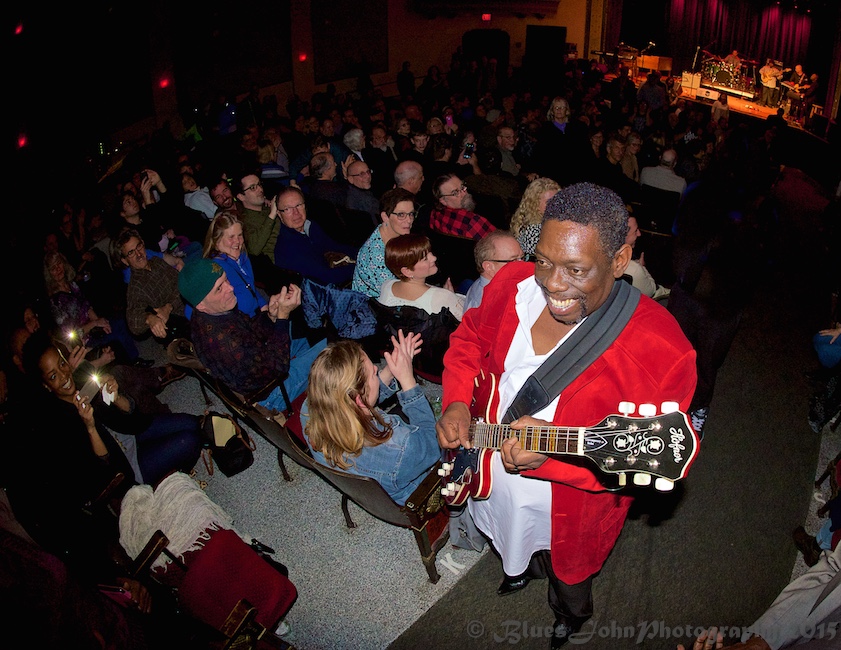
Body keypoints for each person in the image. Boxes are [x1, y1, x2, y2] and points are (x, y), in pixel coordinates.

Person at [435, 182, 697, 649]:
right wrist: (456, 398)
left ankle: (569, 615)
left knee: (569, 574)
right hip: (495, 472)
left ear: (620, 260)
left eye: (576, 269)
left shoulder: (663, 351)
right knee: (511, 535)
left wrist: (549, 459)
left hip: (572, 505)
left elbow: (642, 468)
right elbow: (470, 340)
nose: (553, 284)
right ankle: (520, 569)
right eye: (546, 261)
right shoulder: (513, 282)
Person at [300, 333, 440, 506]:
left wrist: (389, 371)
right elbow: (433, 442)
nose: (376, 368)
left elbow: (358, 401)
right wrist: (407, 381)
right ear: (359, 400)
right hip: (414, 492)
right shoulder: (400, 446)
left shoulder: (308, 410)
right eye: (374, 373)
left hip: (375, 487)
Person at [179, 257, 326, 408]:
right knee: (334, 346)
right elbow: (278, 368)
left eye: (226, 280)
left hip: (261, 360)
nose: (230, 288)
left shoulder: (210, 312)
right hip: (271, 391)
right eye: (219, 289)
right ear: (201, 305)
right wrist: (283, 317)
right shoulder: (226, 343)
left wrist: (271, 315)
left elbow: (249, 330)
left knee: (310, 331)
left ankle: (318, 367)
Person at [43, 250, 144, 366]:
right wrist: (95, 323)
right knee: (116, 333)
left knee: (119, 321)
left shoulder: (72, 285)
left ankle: (135, 359)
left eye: (58, 263)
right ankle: (132, 363)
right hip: (82, 342)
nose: (57, 269)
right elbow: (71, 334)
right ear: (49, 273)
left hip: (94, 329)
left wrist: (101, 323)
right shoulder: (56, 301)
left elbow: (87, 307)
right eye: (53, 268)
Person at [113, 229, 191, 346]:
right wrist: (149, 318)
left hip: (189, 299)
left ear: (143, 244)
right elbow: (133, 322)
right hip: (183, 318)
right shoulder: (136, 286)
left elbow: (181, 281)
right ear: (125, 261)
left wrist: (168, 306)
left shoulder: (156, 261)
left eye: (139, 247)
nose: (138, 254)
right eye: (131, 253)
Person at [274, 186, 359, 286]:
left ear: (305, 206)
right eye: (287, 209)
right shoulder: (287, 246)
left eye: (298, 205)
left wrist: (363, 254)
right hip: (320, 294)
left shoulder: (311, 227)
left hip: (332, 279)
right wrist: (359, 267)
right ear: (279, 214)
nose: (296, 213)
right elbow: (326, 277)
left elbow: (333, 246)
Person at [378, 233, 466, 321]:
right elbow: (470, 319)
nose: (434, 258)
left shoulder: (386, 285)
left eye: (430, 253)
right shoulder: (441, 297)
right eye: (425, 259)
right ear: (407, 271)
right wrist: (450, 295)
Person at [352, 188, 417, 298]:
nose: (409, 220)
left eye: (411, 214)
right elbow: (398, 296)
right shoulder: (376, 256)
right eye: (401, 215)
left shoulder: (390, 233)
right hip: (372, 308)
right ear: (385, 217)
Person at [203, 210, 267, 318]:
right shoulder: (215, 269)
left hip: (257, 314)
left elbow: (251, 288)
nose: (237, 241)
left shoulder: (243, 257)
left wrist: (264, 306)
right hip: (240, 325)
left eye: (240, 235)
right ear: (217, 242)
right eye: (231, 237)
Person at [463, 230, 525, 312]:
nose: (523, 264)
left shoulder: (486, 285)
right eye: (514, 260)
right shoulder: (488, 304)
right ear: (489, 267)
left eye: (523, 258)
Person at [428, 173, 496, 241]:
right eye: (455, 193)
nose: (464, 193)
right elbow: (499, 242)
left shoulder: (434, 215)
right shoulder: (473, 221)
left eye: (462, 186)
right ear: (443, 201)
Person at [509, 177, 561, 256]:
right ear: (534, 204)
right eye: (549, 202)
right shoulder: (533, 231)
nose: (555, 205)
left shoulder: (548, 222)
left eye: (557, 200)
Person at [624, 214, 670, 302]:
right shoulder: (634, 270)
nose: (639, 234)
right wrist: (642, 267)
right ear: (623, 236)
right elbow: (651, 292)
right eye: (635, 231)